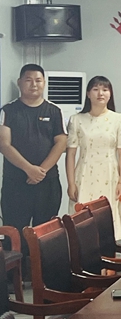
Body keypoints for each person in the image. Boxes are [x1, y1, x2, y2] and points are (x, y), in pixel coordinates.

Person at [0, 64, 66, 257]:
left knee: (47, 232)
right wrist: (29, 169)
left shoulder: (54, 111)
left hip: (47, 183)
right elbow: (4, 144)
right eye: (28, 80)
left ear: (44, 83)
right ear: (19, 83)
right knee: (14, 231)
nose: (34, 84)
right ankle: (15, 273)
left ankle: (44, 272)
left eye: (38, 80)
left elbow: (61, 142)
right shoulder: (9, 110)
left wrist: (41, 171)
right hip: (16, 183)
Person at [66, 76, 121, 239]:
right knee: (83, 222)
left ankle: (111, 254)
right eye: (95, 89)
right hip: (84, 175)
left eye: (105, 89)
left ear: (110, 93)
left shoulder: (118, 119)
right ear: (88, 93)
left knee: (109, 218)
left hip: (110, 175)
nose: (100, 93)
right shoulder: (76, 120)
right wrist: (71, 183)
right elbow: (71, 154)